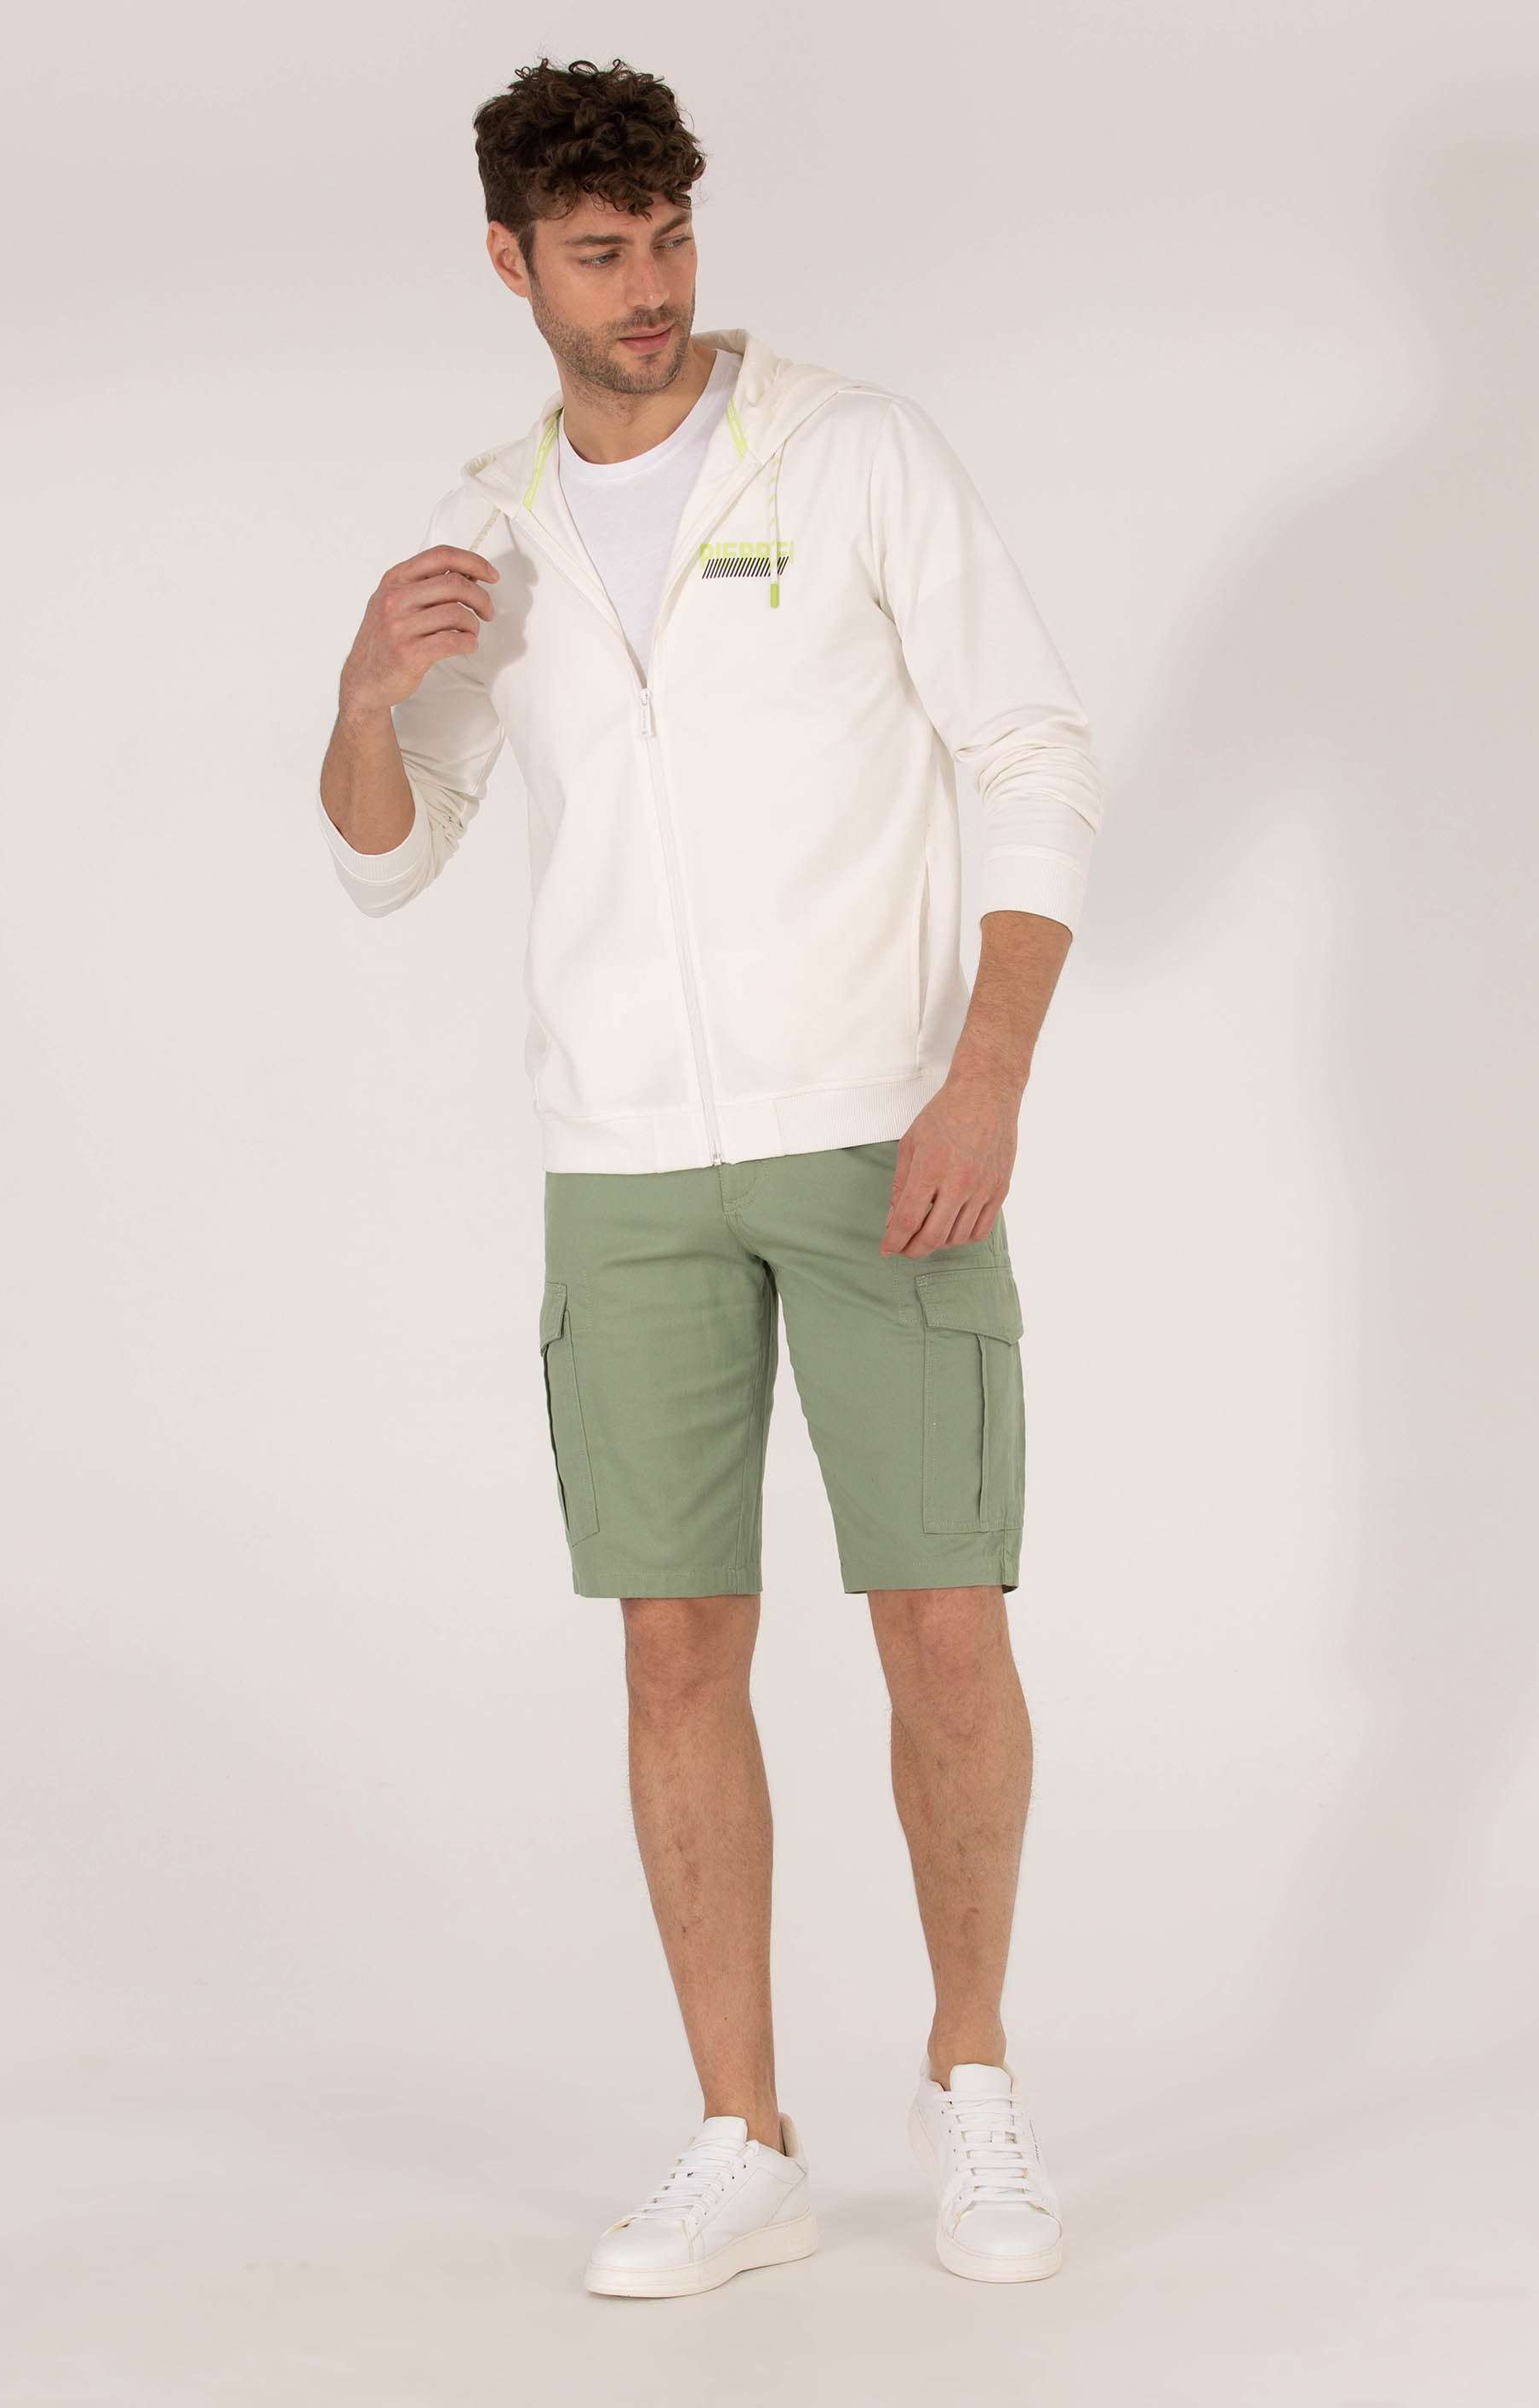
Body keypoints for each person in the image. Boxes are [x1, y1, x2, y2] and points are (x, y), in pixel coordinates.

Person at [316, 54, 1103, 2297]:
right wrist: (362, 696)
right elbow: (387, 856)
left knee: (940, 1615)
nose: (647, 286)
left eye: (666, 236)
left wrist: (988, 1072)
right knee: (675, 1641)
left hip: (882, 1129)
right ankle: (742, 2135)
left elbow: (1030, 748)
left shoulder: (852, 453)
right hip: (626, 1162)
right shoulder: (485, 528)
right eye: (598, 251)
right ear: (510, 263)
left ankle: (972, 2082)